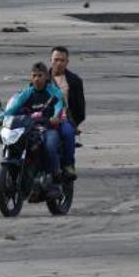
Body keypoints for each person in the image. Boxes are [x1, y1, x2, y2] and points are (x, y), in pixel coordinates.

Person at [0, 62, 65, 195]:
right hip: (28, 128)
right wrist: (0, 118)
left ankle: (55, 180)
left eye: (40, 75)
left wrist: (55, 117)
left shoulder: (54, 92)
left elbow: (58, 106)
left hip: (47, 128)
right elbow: (12, 108)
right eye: (34, 76)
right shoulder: (26, 93)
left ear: (46, 77)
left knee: (50, 146)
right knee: (15, 143)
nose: (37, 78)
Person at [49, 46, 85, 179]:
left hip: (64, 118)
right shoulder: (40, 78)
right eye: (56, 59)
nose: (59, 63)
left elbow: (80, 108)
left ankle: (68, 165)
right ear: (50, 61)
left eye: (62, 60)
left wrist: (73, 123)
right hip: (43, 119)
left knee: (68, 133)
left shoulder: (74, 81)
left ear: (67, 62)